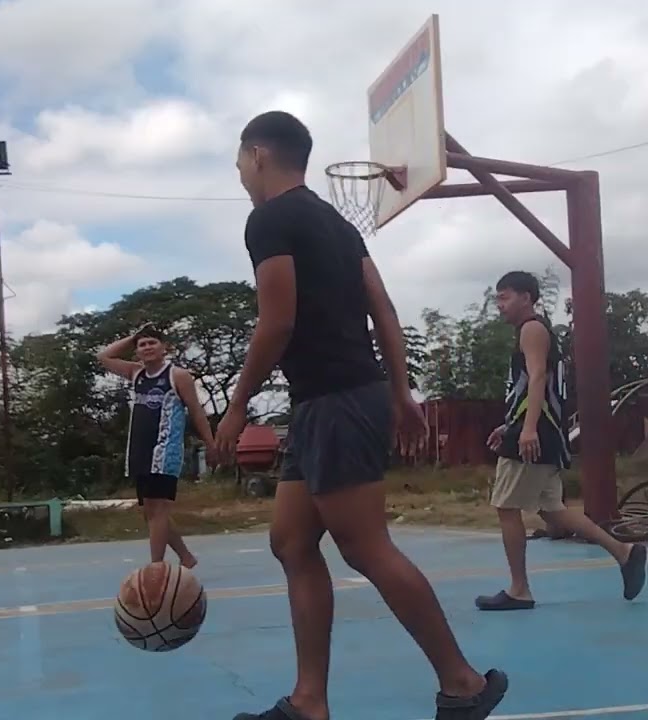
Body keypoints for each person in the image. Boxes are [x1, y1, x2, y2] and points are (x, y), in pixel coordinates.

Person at [214, 110, 507, 720]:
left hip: (337, 399)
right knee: (292, 541)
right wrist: (399, 392)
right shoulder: (338, 225)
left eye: (240, 160)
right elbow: (384, 310)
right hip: (332, 400)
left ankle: (463, 684)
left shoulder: (269, 219)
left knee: (365, 547)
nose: (239, 172)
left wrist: (237, 406)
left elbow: (277, 321)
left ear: (258, 155)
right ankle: (309, 702)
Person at [476, 271, 647, 611]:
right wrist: (510, 425)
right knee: (553, 511)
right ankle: (624, 553)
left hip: (535, 435)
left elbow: (538, 376)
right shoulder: (533, 331)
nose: (500, 305)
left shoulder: (532, 329)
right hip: (542, 432)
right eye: (497, 298)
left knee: (507, 508)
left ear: (527, 297)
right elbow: (532, 388)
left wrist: (527, 430)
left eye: (505, 297)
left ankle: (519, 590)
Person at [97, 323, 216, 568]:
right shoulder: (136, 373)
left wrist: (210, 443)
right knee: (150, 513)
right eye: (142, 344)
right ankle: (186, 557)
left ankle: (156, 567)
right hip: (140, 451)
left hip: (164, 451)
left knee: (158, 510)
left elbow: (196, 411)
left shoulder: (177, 376)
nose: (147, 347)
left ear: (164, 348)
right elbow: (104, 357)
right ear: (136, 351)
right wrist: (133, 335)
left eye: (152, 342)